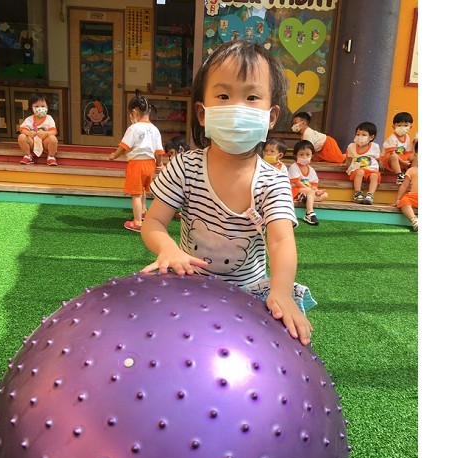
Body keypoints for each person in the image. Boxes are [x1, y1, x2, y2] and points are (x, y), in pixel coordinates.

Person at [140, 40, 314, 346]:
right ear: (202, 112)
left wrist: (281, 291)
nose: (237, 108)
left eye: (251, 97)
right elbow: (153, 222)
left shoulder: (273, 181)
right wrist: (168, 249)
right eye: (223, 96)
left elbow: (281, 240)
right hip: (188, 285)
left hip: (247, 297)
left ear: (271, 116)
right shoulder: (185, 167)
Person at [109, 91, 165, 232]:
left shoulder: (133, 128)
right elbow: (159, 151)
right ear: (149, 111)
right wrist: (159, 164)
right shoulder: (154, 129)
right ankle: (143, 211)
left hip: (137, 164)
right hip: (150, 164)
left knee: (136, 194)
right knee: (143, 190)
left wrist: (114, 156)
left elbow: (124, 147)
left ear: (134, 112)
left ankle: (138, 223)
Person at [288, 139, 329, 226]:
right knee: (310, 192)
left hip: (307, 191)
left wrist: (316, 190)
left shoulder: (311, 170)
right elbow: (297, 183)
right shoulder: (294, 167)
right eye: (301, 154)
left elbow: (313, 184)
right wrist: (311, 190)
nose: (304, 157)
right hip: (294, 190)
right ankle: (309, 213)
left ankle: (305, 198)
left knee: (325, 195)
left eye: (307, 154)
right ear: (296, 155)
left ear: (312, 156)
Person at [344, 121, 381, 205]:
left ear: (371, 137)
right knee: (360, 171)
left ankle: (370, 195)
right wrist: (346, 164)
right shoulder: (352, 146)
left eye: (364, 135)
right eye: (358, 134)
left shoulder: (374, 147)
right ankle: (358, 193)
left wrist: (380, 162)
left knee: (374, 176)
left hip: (371, 170)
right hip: (357, 170)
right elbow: (348, 156)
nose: (360, 137)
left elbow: (378, 157)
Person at [18, 93, 59, 166]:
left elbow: (54, 131)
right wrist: (29, 133)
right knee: (21, 136)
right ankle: (27, 156)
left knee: (53, 138)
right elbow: (22, 129)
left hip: (45, 143)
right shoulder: (29, 119)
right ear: (31, 107)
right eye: (36, 106)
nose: (40, 108)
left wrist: (46, 133)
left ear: (47, 107)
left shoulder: (49, 118)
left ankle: (51, 157)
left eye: (43, 106)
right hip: (33, 143)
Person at [379, 111, 414, 183]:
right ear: (393, 126)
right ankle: (399, 175)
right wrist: (403, 162)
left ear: (410, 127)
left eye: (405, 125)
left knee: (414, 156)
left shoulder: (407, 137)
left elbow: (407, 152)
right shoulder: (392, 138)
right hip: (389, 160)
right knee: (394, 156)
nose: (402, 128)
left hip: (401, 159)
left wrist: (409, 159)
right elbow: (392, 154)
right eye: (399, 125)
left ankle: (413, 173)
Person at [394, 139, 418, 232]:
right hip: (414, 197)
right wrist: (398, 199)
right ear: (416, 154)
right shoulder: (411, 170)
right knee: (404, 201)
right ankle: (414, 220)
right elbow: (404, 186)